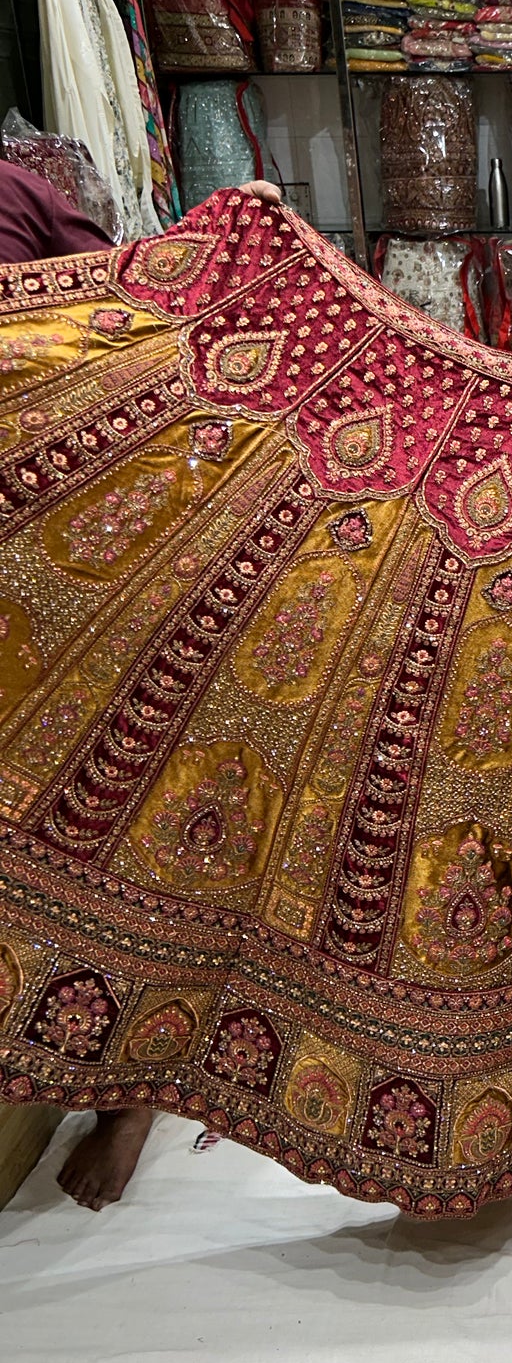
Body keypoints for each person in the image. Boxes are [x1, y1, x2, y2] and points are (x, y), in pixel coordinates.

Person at [0, 160, 281, 1210]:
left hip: (90, 528)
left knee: (140, 793)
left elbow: (141, 306)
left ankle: (131, 1091)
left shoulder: (16, 190)